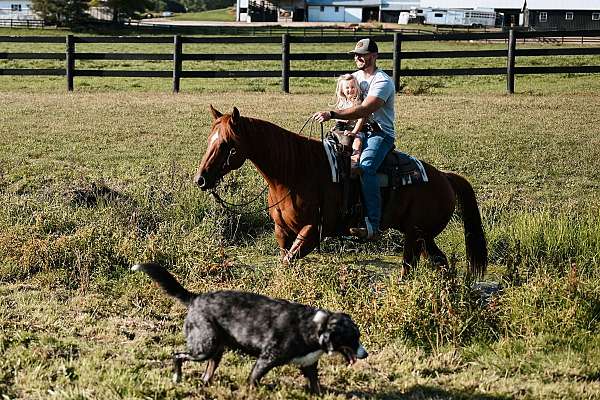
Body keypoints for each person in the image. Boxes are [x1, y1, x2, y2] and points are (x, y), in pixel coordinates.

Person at [314, 38, 396, 240]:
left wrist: (333, 114)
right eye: (356, 54)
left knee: (366, 168)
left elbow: (365, 108)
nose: (358, 58)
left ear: (374, 56)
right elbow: (345, 97)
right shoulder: (355, 77)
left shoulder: (382, 81)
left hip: (379, 133)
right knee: (330, 163)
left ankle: (373, 226)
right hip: (352, 131)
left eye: (363, 54)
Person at [331, 74, 366, 172]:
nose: (350, 90)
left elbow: (361, 119)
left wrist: (354, 132)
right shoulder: (342, 102)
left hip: (357, 130)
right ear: (342, 90)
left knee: (357, 142)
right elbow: (338, 119)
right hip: (343, 130)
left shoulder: (358, 102)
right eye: (347, 88)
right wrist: (335, 127)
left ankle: (354, 162)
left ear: (357, 88)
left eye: (352, 87)